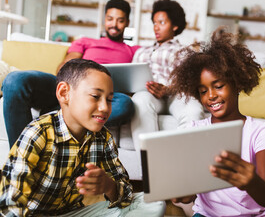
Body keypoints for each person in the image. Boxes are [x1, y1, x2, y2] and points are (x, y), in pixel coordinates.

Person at [0, 59, 165, 216]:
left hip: (72, 213)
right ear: (64, 93)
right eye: (95, 96)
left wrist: (110, 186)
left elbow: (126, 193)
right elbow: (11, 203)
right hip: (30, 214)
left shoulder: (102, 138)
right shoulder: (37, 133)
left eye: (109, 100)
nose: (105, 107)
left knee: (154, 203)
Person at [168, 29, 265, 216]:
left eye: (218, 86)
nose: (211, 96)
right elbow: (188, 197)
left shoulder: (260, 132)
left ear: (236, 83)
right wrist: (182, 194)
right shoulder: (194, 130)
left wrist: (251, 182)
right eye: (203, 91)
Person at [2, 0, 139, 148]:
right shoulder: (85, 42)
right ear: (104, 19)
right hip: (70, 85)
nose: (114, 24)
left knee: (125, 104)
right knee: (14, 80)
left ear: (127, 22)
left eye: (120, 20)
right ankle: (21, 157)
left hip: (99, 96)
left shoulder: (133, 51)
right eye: (110, 19)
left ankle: (55, 114)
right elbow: (65, 66)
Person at [131, 0, 204, 161]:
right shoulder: (141, 52)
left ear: (175, 25)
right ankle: (150, 166)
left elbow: (190, 80)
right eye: (154, 23)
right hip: (148, 94)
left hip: (174, 94)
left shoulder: (184, 52)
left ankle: (183, 165)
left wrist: (168, 89)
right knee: (139, 100)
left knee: (193, 110)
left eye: (162, 22)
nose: (156, 27)